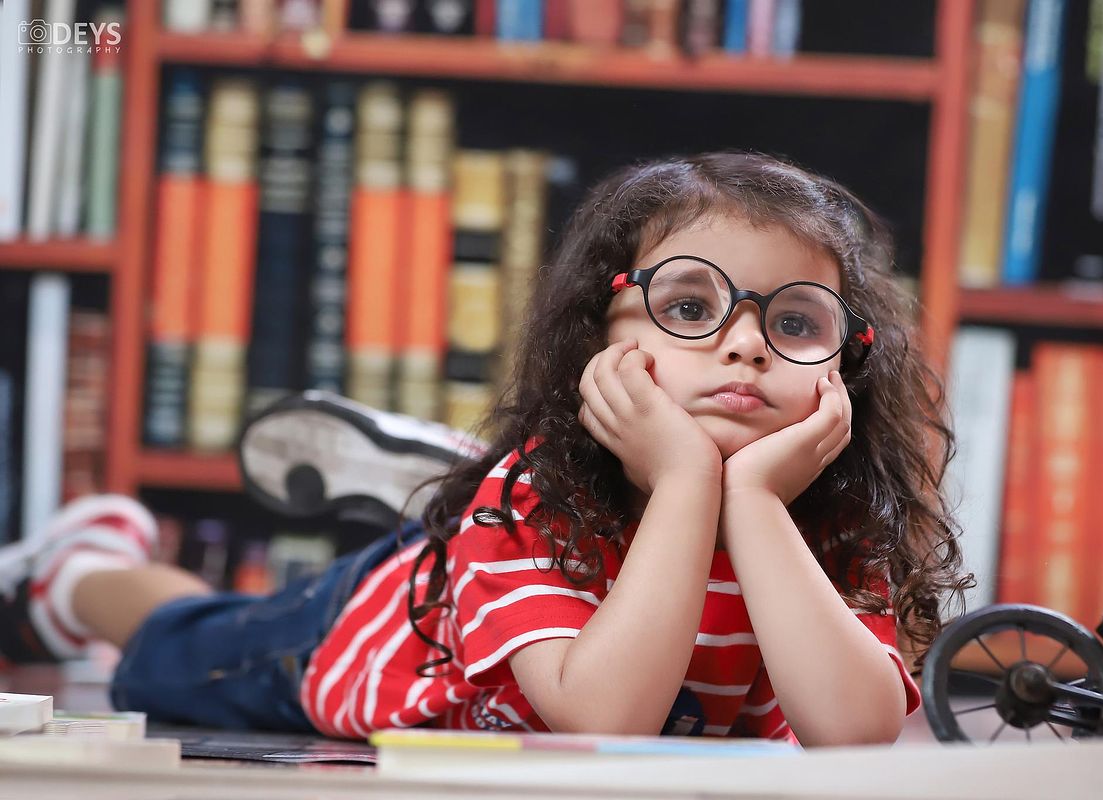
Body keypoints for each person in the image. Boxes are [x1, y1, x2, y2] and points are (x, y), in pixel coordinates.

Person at [0, 152, 969, 747]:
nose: (746, 342)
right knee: (187, 643)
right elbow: (604, 717)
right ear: (598, 337)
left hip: (495, 575)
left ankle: (426, 501)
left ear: (848, 363)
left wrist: (750, 499)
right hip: (371, 640)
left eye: (796, 321)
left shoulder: (827, 514)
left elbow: (851, 729)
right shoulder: (530, 500)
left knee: (456, 532)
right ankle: (75, 571)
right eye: (688, 306)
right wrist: (685, 477)